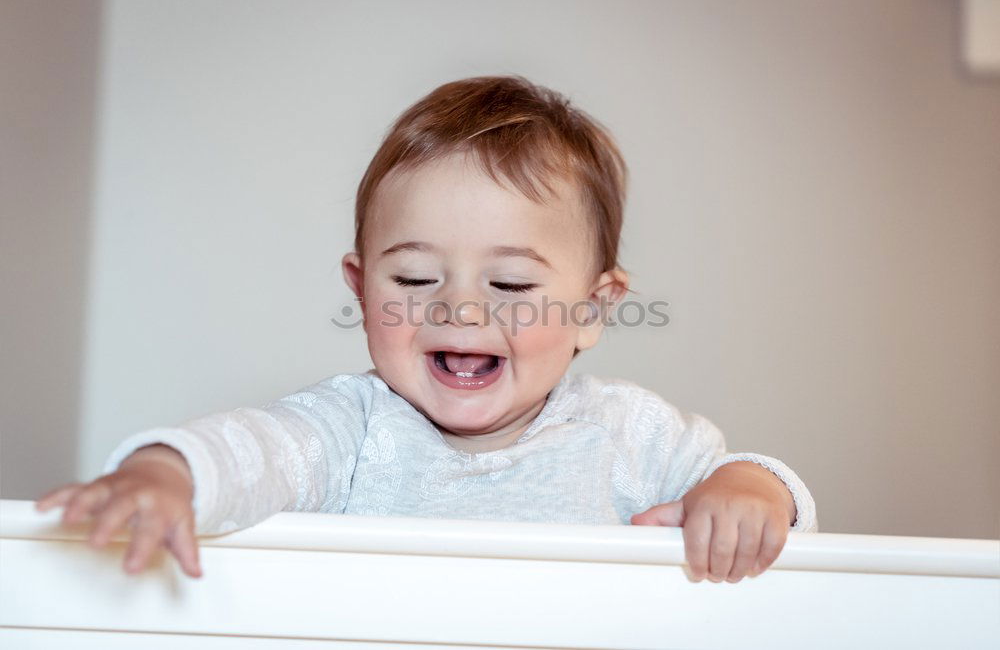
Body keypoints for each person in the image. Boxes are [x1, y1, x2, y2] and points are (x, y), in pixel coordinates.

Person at [36, 75, 817, 584]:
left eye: (510, 283)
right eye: (414, 278)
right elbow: (252, 450)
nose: (461, 311)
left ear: (590, 310)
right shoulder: (350, 430)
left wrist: (749, 491)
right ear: (361, 285)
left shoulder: (626, 434)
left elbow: (761, 490)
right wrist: (164, 472)